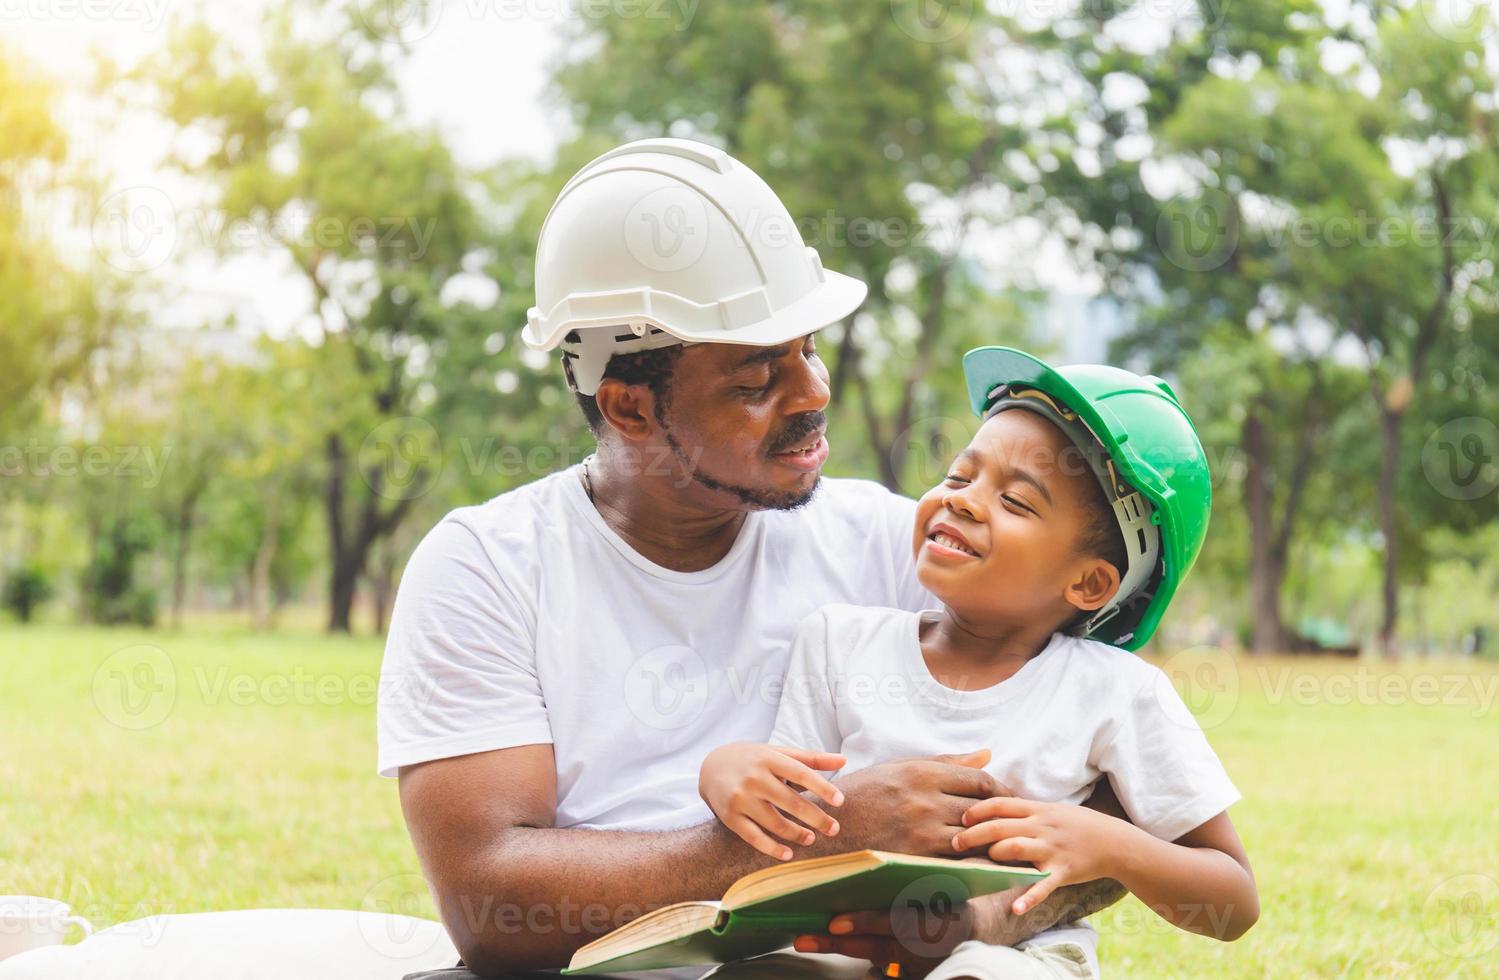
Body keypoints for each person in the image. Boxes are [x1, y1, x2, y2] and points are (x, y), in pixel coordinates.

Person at [381, 140, 1125, 980]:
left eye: (807, 350)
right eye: (755, 379)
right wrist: (819, 839)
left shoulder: (891, 549)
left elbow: (1111, 782)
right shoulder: (486, 569)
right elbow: (488, 901)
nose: (812, 393)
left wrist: (980, 916)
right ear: (629, 406)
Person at [698, 347, 1258, 979]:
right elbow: (791, 810)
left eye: (1016, 502)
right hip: (846, 942)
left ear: (1090, 584)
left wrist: (1109, 845)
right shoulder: (838, 641)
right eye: (960, 477)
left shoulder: (1117, 692)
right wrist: (726, 773)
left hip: (1015, 956)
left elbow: (1233, 897)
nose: (961, 501)